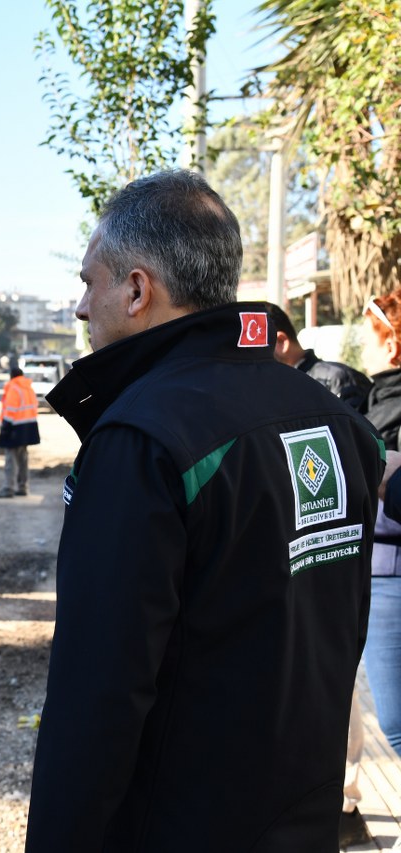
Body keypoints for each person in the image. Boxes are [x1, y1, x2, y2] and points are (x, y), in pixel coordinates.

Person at [25, 170, 383, 853]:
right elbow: (339, 630)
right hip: (300, 821)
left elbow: (99, 694)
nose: (78, 306)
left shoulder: (144, 441)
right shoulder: (337, 423)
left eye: (88, 281)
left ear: (137, 290)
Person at [268, 300, 374, 846]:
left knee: (342, 691)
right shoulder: (274, 391)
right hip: (303, 554)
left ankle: (347, 802)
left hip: (333, 550)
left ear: (281, 339)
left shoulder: (332, 383)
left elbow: (366, 460)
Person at [360, 292, 401, 774]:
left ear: (391, 345)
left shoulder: (390, 405)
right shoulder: (377, 397)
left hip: (390, 575)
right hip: (379, 568)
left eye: (368, 337)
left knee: (392, 722)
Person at [268, 301, 372, 413]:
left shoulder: (338, 379)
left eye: (256, 349)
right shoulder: (275, 387)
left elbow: (353, 428)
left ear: (281, 342)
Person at [0, 366, 40, 498]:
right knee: (23, 459)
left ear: (12, 376)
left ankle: (8, 488)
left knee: (10, 460)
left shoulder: (14, 388)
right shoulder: (28, 388)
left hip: (14, 428)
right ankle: (23, 487)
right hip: (27, 428)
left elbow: (10, 411)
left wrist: (5, 428)